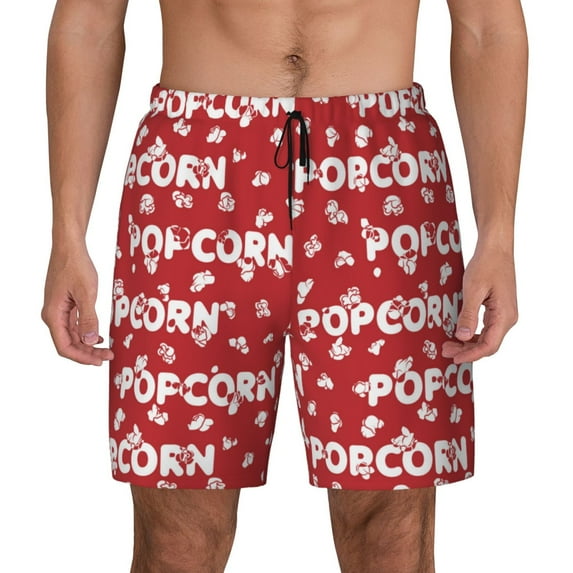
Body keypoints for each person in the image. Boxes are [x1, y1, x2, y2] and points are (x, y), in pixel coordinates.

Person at [42, 0, 527, 571]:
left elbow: (487, 26)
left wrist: (499, 235)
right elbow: (89, 23)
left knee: (390, 530)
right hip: (192, 174)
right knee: (176, 535)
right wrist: (67, 234)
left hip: (383, 175)